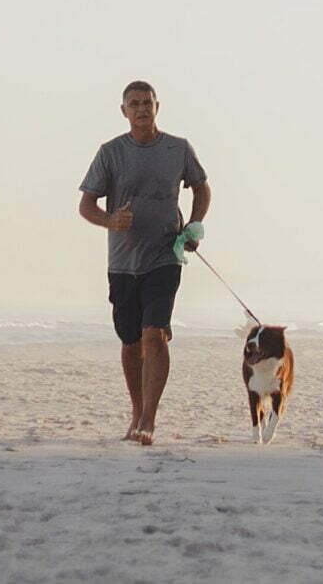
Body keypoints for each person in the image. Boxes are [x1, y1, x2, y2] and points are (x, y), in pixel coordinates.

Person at [78, 80, 211, 445]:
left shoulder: (178, 149)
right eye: (134, 104)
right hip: (122, 262)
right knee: (131, 341)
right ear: (124, 111)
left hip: (165, 255)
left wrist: (195, 225)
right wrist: (109, 220)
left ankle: (149, 419)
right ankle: (136, 412)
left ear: (157, 106)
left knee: (155, 335)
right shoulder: (110, 153)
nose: (141, 109)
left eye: (147, 102)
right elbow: (86, 204)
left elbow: (202, 187)